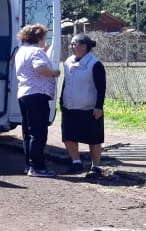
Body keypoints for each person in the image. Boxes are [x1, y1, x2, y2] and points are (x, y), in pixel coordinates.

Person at [14, 23, 61, 177]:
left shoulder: (22, 51)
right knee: (38, 132)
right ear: (39, 37)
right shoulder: (36, 51)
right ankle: (38, 167)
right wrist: (55, 72)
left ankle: (29, 165)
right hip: (37, 94)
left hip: (24, 94)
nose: (44, 40)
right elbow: (40, 69)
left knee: (27, 132)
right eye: (44, 37)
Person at [60, 34, 107, 178]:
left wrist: (99, 106)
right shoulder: (68, 61)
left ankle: (96, 166)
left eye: (76, 44)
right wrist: (61, 100)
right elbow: (66, 82)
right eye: (72, 44)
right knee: (69, 136)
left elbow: (101, 87)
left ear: (85, 47)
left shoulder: (95, 64)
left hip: (89, 107)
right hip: (70, 106)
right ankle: (76, 163)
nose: (73, 47)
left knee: (94, 138)